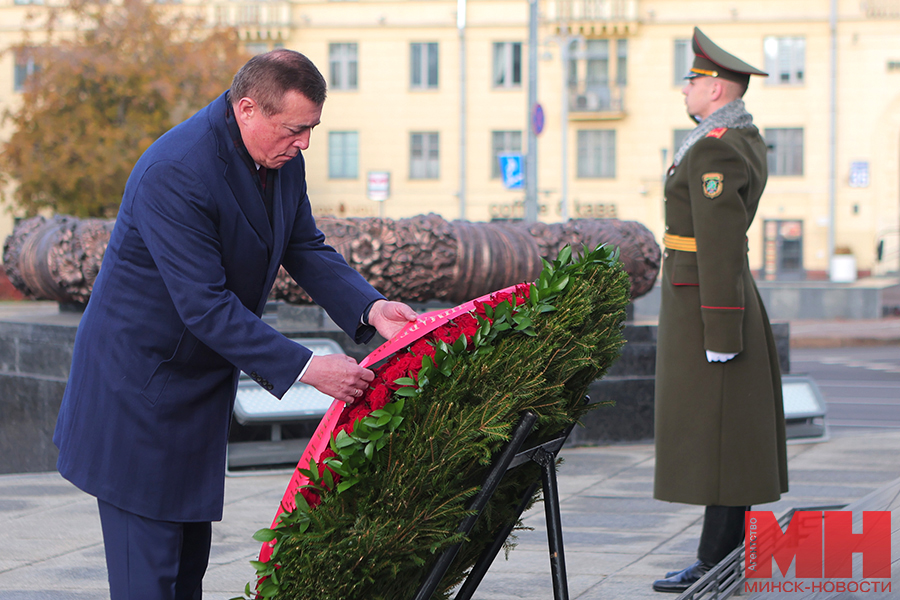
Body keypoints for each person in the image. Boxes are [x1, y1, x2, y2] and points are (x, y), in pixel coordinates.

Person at [53, 49, 417, 600]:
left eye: (312, 129)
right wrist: (309, 368)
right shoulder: (174, 171)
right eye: (296, 130)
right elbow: (205, 306)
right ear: (247, 109)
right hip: (137, 396)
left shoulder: (279, 157)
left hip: (195, 389)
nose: (305, 145)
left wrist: (370, 308)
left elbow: (303, 246)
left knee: (185, 577)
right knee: (147, 583)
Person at [651, 28, 788, 593]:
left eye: (692, 80)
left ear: (715, 88)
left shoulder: (714, 147)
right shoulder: (733, 139)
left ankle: (717, 560)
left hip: (704, 298)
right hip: (706, 293)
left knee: (720, 436)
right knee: (728, 436)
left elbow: (720, 241)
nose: (684, 88)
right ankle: (722, 555)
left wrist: (721, 326)